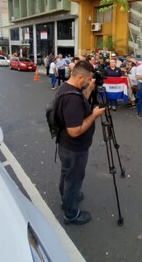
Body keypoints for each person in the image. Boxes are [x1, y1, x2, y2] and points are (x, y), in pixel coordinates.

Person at [55, 60, 106, 225]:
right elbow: (74, 131)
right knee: (74, 178)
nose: (88, 81)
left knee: (67, 173)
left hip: (65, 145)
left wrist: (90, 89)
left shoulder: (67, 88)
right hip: (74, 148)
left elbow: (79, 101)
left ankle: (67, 194)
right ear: (80, 77)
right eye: (88, 79)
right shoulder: (72, 99)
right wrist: (94, 115)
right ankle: (71, 214)